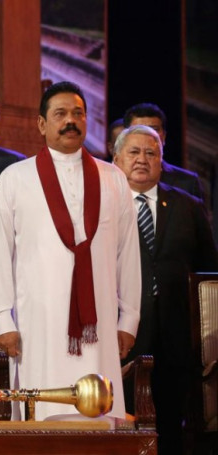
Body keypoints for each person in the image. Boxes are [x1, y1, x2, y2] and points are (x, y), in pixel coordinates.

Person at [0, 81, 142, 421]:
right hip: (35, 323)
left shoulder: (113, 178)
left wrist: (128, 318)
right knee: (43, 410)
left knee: (101, 415)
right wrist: (2, 318)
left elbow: (128, 253)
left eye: (78, 113)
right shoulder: (15, 178)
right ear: (42, 124)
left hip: (99, 320)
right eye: (60, 114)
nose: (70, 121)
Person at [112, 124, 218, 453]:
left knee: (172, 422)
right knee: (124, 420)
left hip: (177, 333)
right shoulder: (103, 208)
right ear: (116, 159)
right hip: (122, 335)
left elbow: (207, 270)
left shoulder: (187, 206)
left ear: (161, 160)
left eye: (151, 153)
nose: (142, 159)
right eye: (134, 152)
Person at [123, 103, 205, 200]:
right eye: (139, 130)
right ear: (124, 137)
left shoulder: (188, 184)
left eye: (154, 130)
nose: (147, 136)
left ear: (164, 136)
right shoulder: (111, 179)